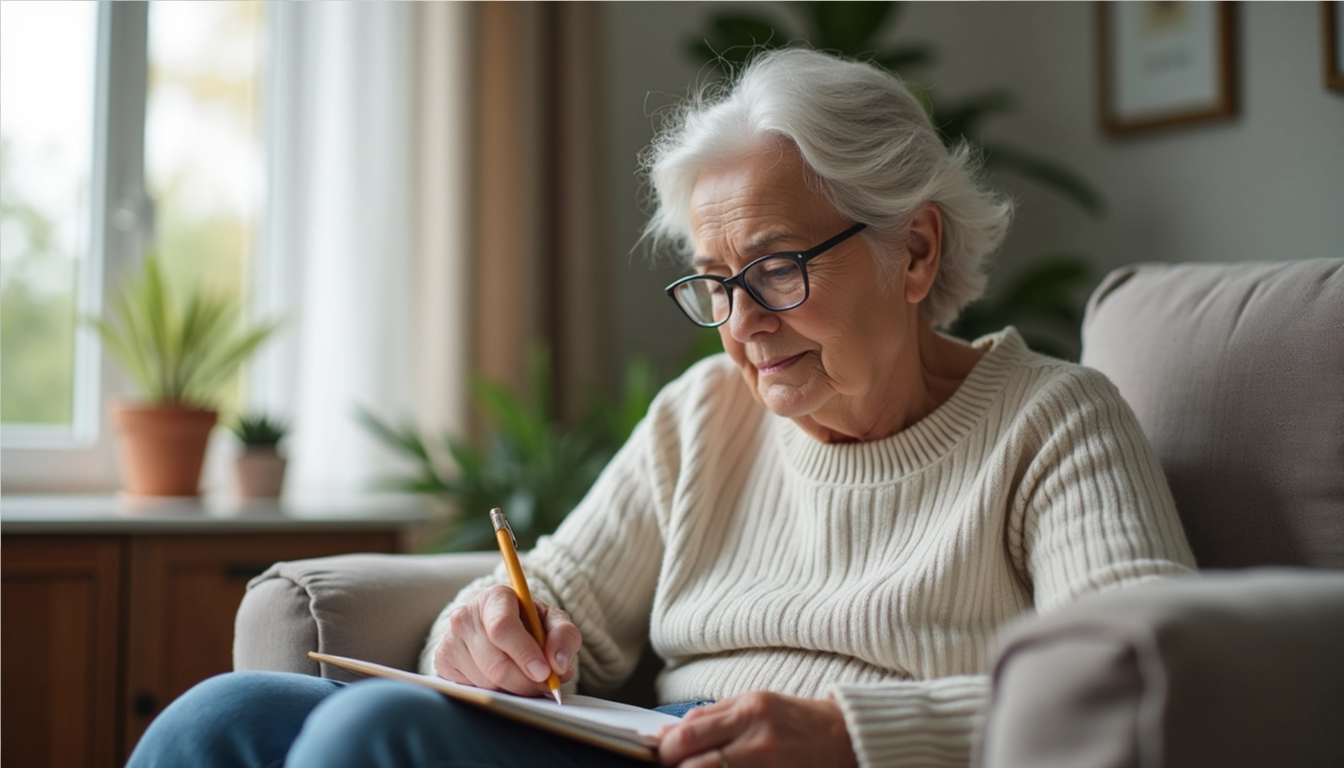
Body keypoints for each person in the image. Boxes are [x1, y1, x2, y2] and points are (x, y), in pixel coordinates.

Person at [128, 48, 1195, 768]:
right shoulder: (708, 411)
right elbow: (561, 600)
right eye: (715, 283)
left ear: (913, 251)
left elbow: (1158, 678)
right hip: (652, 741)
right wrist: (495, 624)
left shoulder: (1053, 422)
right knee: (221, 718)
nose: (742, 326)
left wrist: (848, 735)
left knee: (373, 736)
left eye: (778, 270)